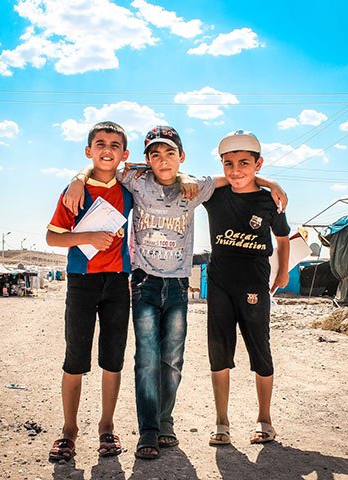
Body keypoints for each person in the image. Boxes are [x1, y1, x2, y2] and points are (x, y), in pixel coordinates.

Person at [64, 125, 288, 459]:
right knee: (146, 358)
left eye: (170, 153)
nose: (163, 160)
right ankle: (148, 431)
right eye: (155, 154)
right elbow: (105, 166)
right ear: (147, 160)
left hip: (179, 284)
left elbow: (237, 178)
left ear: (181, 157)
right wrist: (78, 178)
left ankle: (165, 421)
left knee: (172, 359)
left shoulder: (195, 186)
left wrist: (271, 183)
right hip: (144, 282)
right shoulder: (135, 180)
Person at [45, 121, 134, 462]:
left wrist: (79, 174)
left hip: (118, 282)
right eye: (100, 144)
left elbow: (155, 168)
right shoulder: (74, 193)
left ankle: (106, 426)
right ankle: (69, 430)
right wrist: (88, 237)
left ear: (123, 154)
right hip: (81, 281)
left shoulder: (128, 191)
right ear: (88, 151)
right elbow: (52, 237)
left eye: (114, 145)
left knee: (113, 359)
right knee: (75, 359)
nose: (107, 150)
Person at [203, 130, 291, 447]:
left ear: (258, 163)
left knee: (260, 351)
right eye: (228, 163)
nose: (236, 170)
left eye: (244, 163)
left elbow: (282, 238)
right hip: (219, 282)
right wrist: (268, 180)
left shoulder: (269, 201)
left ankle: (265, 420)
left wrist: (283, 272)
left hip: (254, 282)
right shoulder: (214, 196)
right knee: (219, 353)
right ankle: (221, 422)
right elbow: (196, 182)